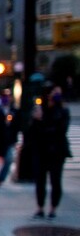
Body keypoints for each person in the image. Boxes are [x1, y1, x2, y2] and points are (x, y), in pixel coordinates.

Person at [30, 85, 72, 219]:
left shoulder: (63, 111)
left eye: (58, 92)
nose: (56, 95)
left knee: (55, 180)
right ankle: (40, 208)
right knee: (40, 181)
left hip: (57, 152)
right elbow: (33, 131)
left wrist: (42, 123)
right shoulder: (40, 109)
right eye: (54, 92)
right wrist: (37, 120)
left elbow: (60, 130)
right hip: (41, 151)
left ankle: (53, 208)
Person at [0, 88, 21, 185]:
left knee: (9, 159)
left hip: (8, 140)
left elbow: (17, 126)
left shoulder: (14, 110)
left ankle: (1, 179)